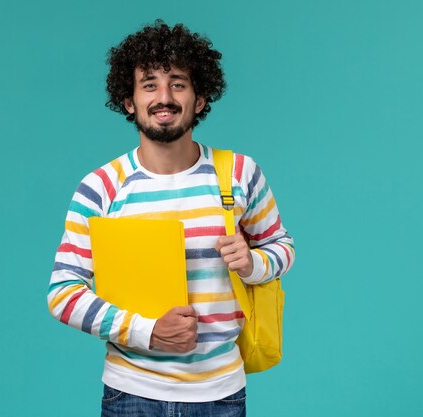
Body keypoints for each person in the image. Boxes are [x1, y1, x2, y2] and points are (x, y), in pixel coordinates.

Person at [47, 20, 295, 416]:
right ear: (129, 101)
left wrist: (253, 263)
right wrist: (147, 332)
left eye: (178, 83)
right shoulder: (101, 187)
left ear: (199, 99)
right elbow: (63, 294)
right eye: (149, 84)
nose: (164, 97)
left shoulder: (240, 173)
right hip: (130, 395)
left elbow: (282, 247)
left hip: (221, 396)